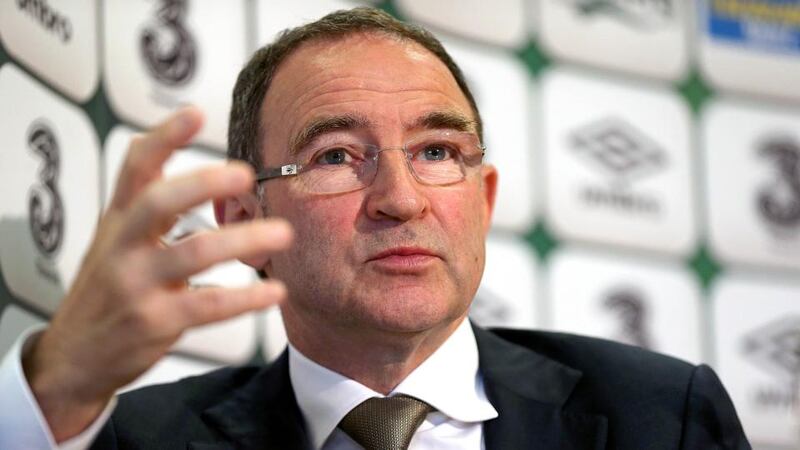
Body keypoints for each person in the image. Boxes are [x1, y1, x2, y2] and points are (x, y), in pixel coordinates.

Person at [0, 7, 750, 450]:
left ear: (482, 201)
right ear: (244, 216)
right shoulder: (136, 438)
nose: (401, 198)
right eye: (335, 155)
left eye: (437, 152)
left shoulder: (659, 416)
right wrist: (58, 386)